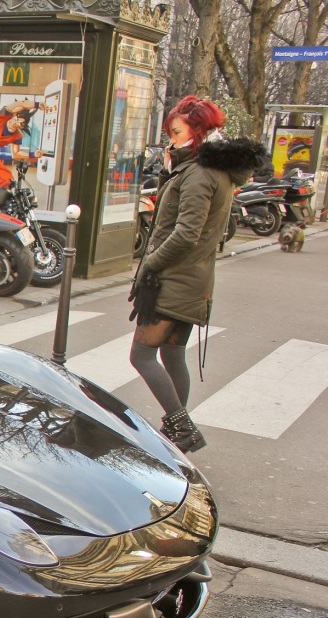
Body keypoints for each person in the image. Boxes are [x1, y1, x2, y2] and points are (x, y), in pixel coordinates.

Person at [128, 96, 266, 453]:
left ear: (198, 131)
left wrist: (151, 263)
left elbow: (186, 232)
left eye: (175, 132)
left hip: (175, 279)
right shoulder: (206, 171)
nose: (170, 139)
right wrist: (170, 166)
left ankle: (182, 427)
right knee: (172, 356)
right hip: (194, 279)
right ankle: (177, 431)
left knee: (141, 355)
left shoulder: (200, 174)